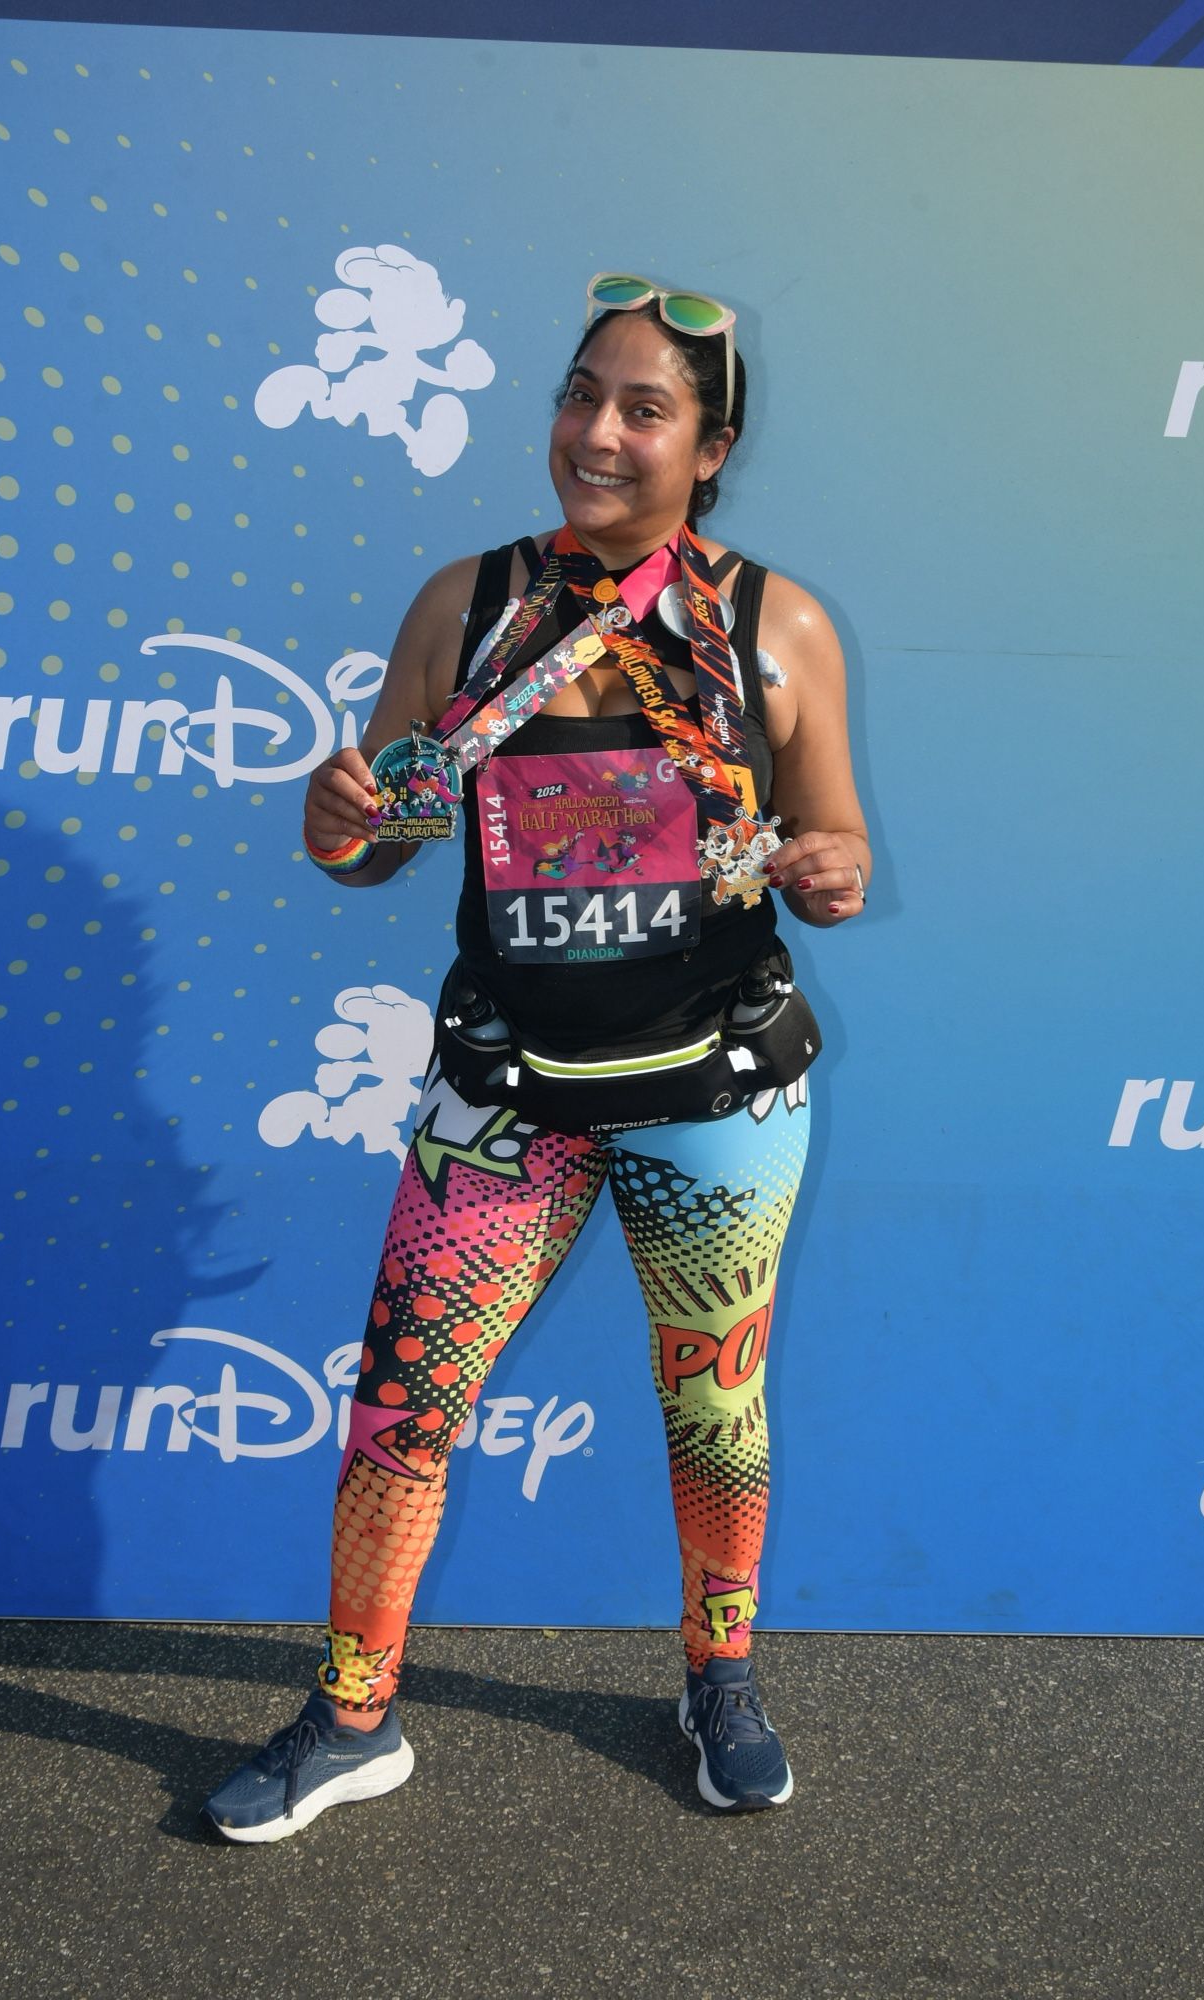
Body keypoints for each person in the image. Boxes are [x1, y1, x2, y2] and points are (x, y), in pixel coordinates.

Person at [203, 274, 872, 1840]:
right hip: (508, 1096)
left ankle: (718, 1680)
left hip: (718, 1092)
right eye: (582, 395)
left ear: (710, 448)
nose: (597, 432)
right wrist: (337, 818)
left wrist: (825, 869)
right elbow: (375, 836)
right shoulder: (469, 605)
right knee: (402, 1410)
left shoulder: (775, 625)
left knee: (714, 1406)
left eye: (644, 409)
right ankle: (352, 1715)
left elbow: (829, 839)